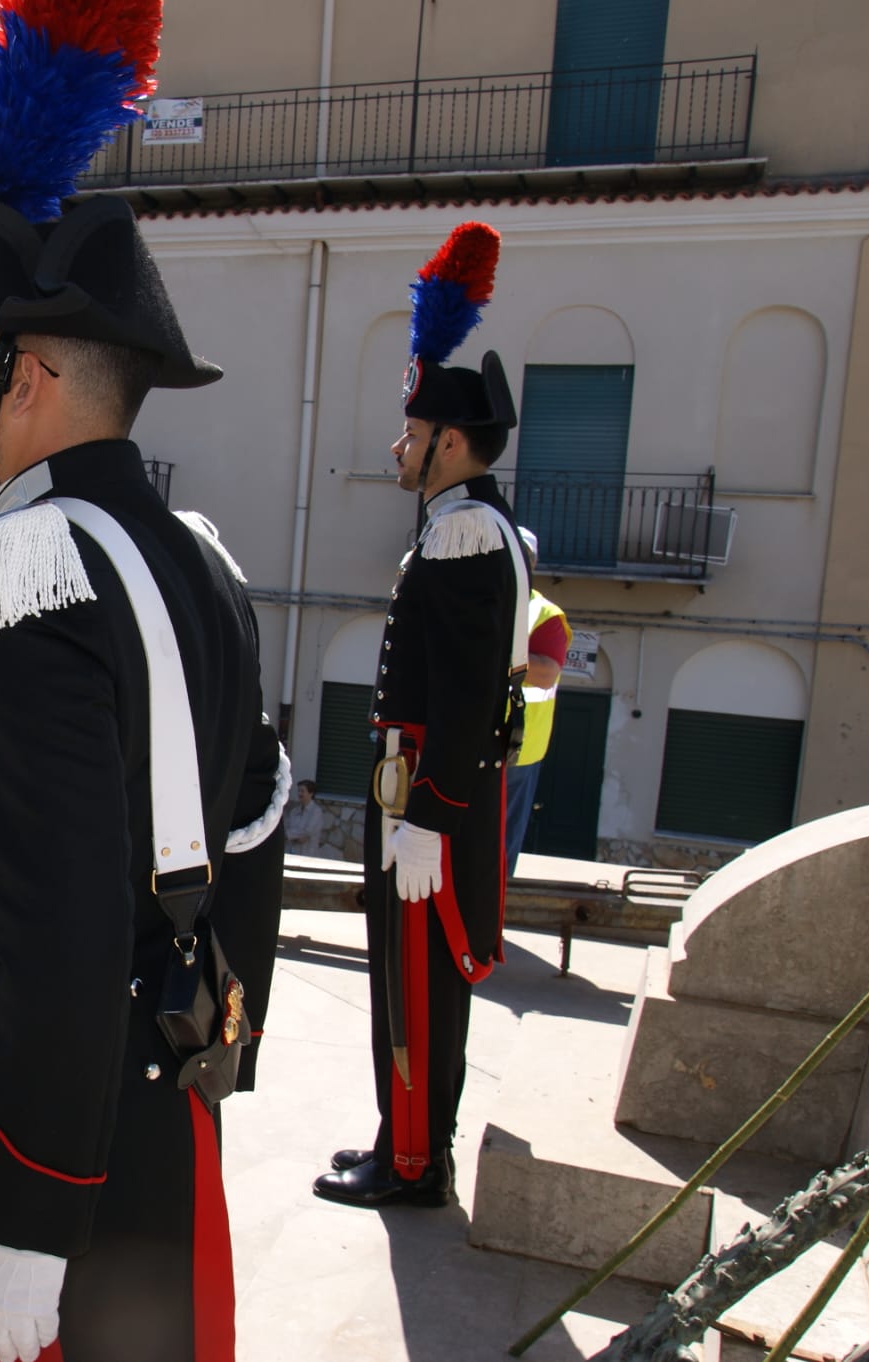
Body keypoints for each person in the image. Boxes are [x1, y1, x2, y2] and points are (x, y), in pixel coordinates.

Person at [0, 42, 289, 1351]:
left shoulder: (23, 572)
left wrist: (27, 1213)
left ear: (37, 377)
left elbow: (59, 932)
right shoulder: (207, 560)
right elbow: (247, 832)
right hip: (167, 1091)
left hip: (45, 1125)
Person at [313, 222, 528, 1211]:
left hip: (424, 800)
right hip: (422, 794)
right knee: (419, 992)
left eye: (408, 433)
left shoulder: (465, 534)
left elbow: (466, 689)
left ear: (447, 442)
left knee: (412, 989)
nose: (397, 447)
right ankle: (403, 1146)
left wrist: (428, 817)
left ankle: (409, 1165)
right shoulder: (465, 526)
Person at [503, 528, 571, 878]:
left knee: (500, 846)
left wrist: (495, 653)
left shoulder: (544, 614)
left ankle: (487, 921)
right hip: (470, 742)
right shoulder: (480, 603)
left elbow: (546, 673)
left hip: (518, 751)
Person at [286, 779, 332, 858]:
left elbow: (307, 832)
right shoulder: (294, 811)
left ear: (311, 793)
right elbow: (288, 829)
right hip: (293, 854)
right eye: (299, 791)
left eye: (302, 791)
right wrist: (295, 836)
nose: (299, 793)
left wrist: (291, 836)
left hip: (308, 855)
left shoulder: (316, 812)